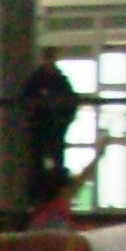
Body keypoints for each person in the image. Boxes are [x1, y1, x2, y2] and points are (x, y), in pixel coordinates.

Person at [17, 46, 78, 189]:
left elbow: (70, 103)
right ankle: (46, 190)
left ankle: (42, 191)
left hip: (46, 128)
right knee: (42, 161)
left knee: (41, 161)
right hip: (46, 128)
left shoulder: (45, 80)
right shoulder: (56, 81)